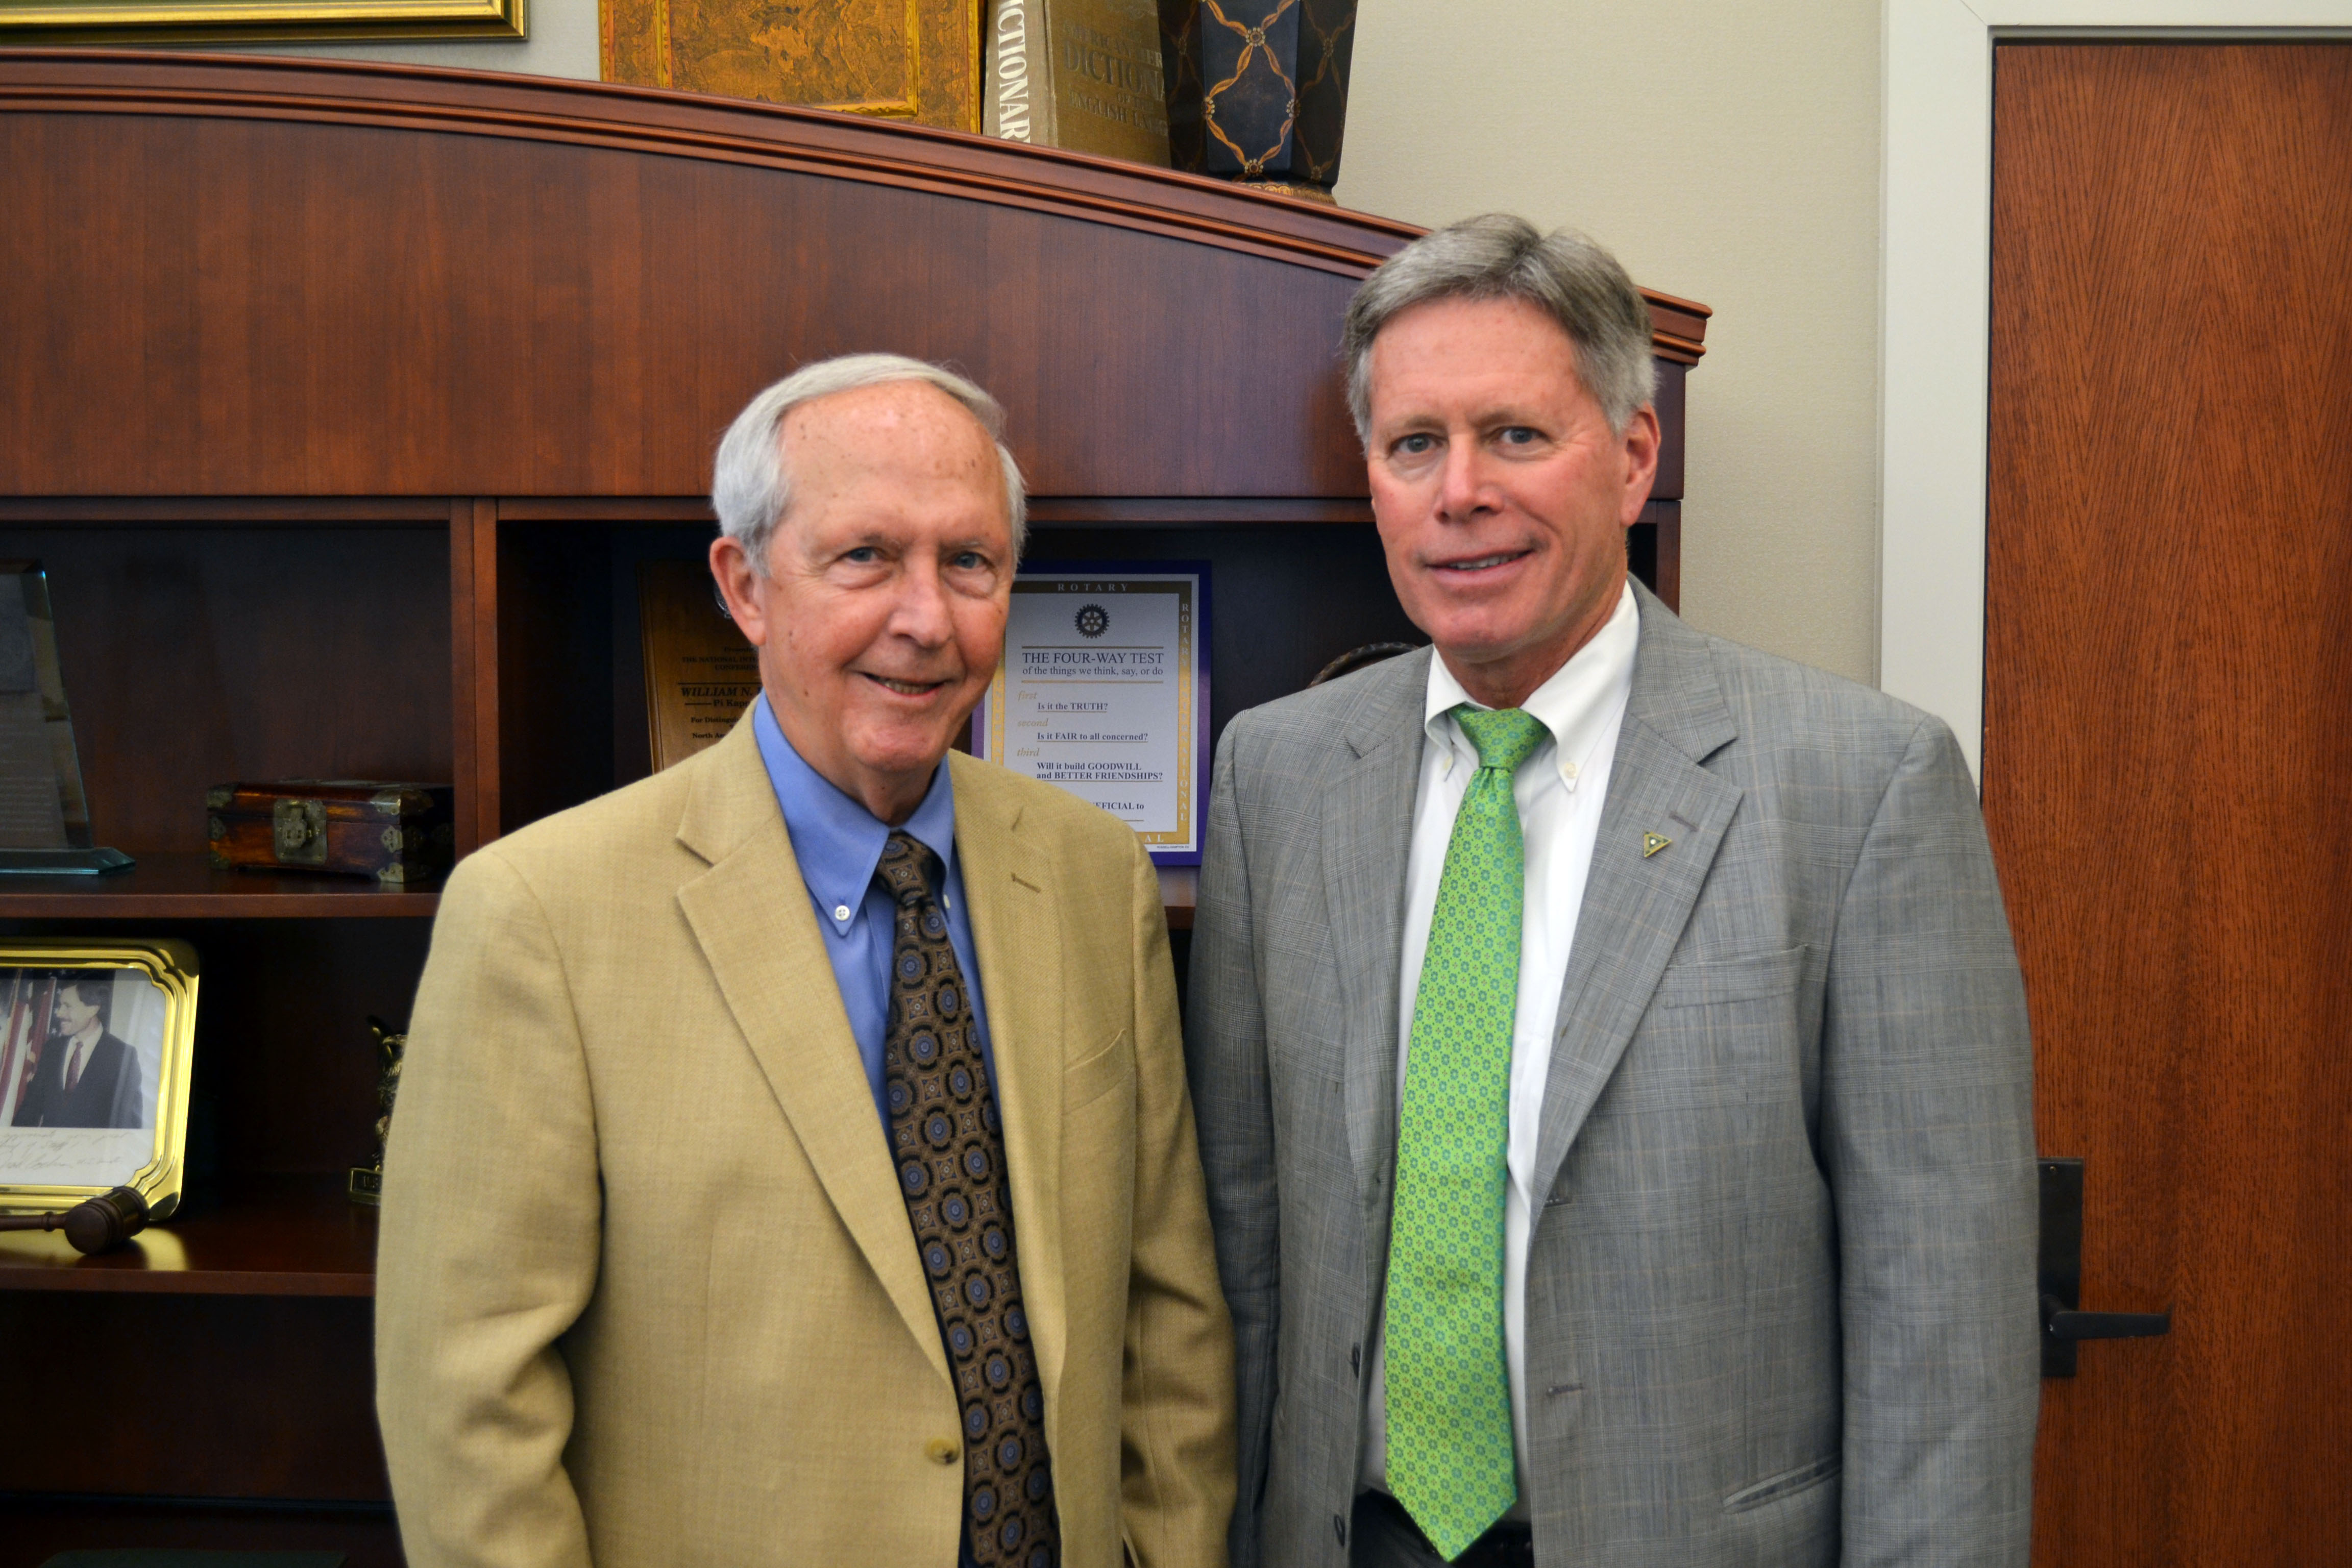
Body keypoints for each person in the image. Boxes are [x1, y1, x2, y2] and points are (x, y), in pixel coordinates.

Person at [1186, 216, 2038, 1568]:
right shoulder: (1276, 779)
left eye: (1516, 436)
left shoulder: (1858, 785)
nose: (1460, 491)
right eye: (1416, 445)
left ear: (1635, 457)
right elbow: (1237, 1245)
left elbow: (1944, 1317)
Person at [376, 354, 1235, 1568]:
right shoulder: (540, 914)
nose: (925, 617)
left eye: (969, 562)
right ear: (747, 584)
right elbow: (468, 1405)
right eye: (864, 556)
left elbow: (1170, 1317)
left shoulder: (1093, 876)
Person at [12, 976, 141, 1130]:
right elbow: (30, 1110)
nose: (59, 1013)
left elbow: (128, 1124)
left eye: (67, 1006)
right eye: (60, 1006)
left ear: (93, 1008)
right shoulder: (52, 1049)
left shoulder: (121, 1056)